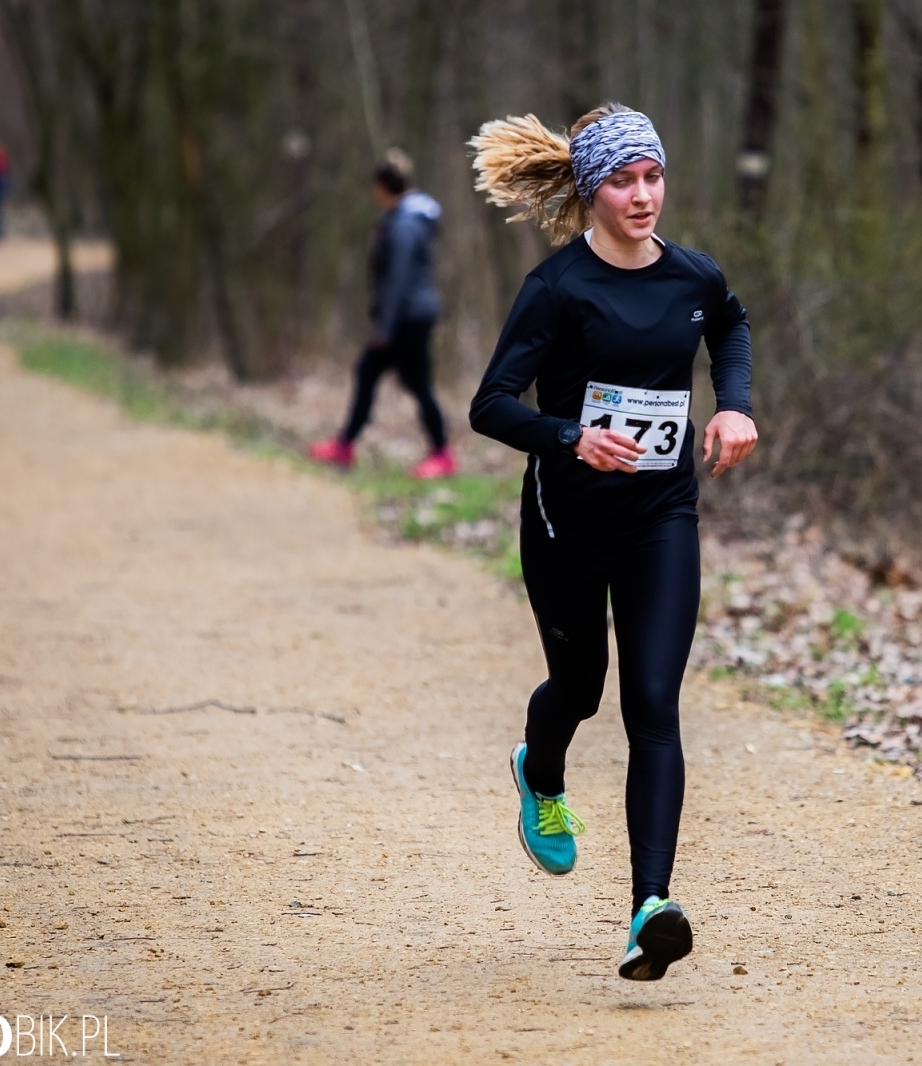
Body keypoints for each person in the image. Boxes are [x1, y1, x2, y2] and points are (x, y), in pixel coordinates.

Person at [468, 103, 758, 981]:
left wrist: (736, 403)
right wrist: (570, 437)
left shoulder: (693, 279)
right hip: (567, 521)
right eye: (624, 181)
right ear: (593, 190)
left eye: (653, 177)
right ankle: (540, 771)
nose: (643, 196)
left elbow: (732, 327)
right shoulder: (557, 289)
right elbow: (491, 405)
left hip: (660, 517)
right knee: (581, 689)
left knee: (653, 702)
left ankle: (649, 908)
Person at [308, 149, 453, 477]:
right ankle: (344, 446)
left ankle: (442, 454)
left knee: (416, 384)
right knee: (370, 373)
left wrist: (384, 330)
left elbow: (397, 280)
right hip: (408, 316)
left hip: (408, 319)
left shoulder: (403, 225)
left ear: (382, 187)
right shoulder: (407, 219)